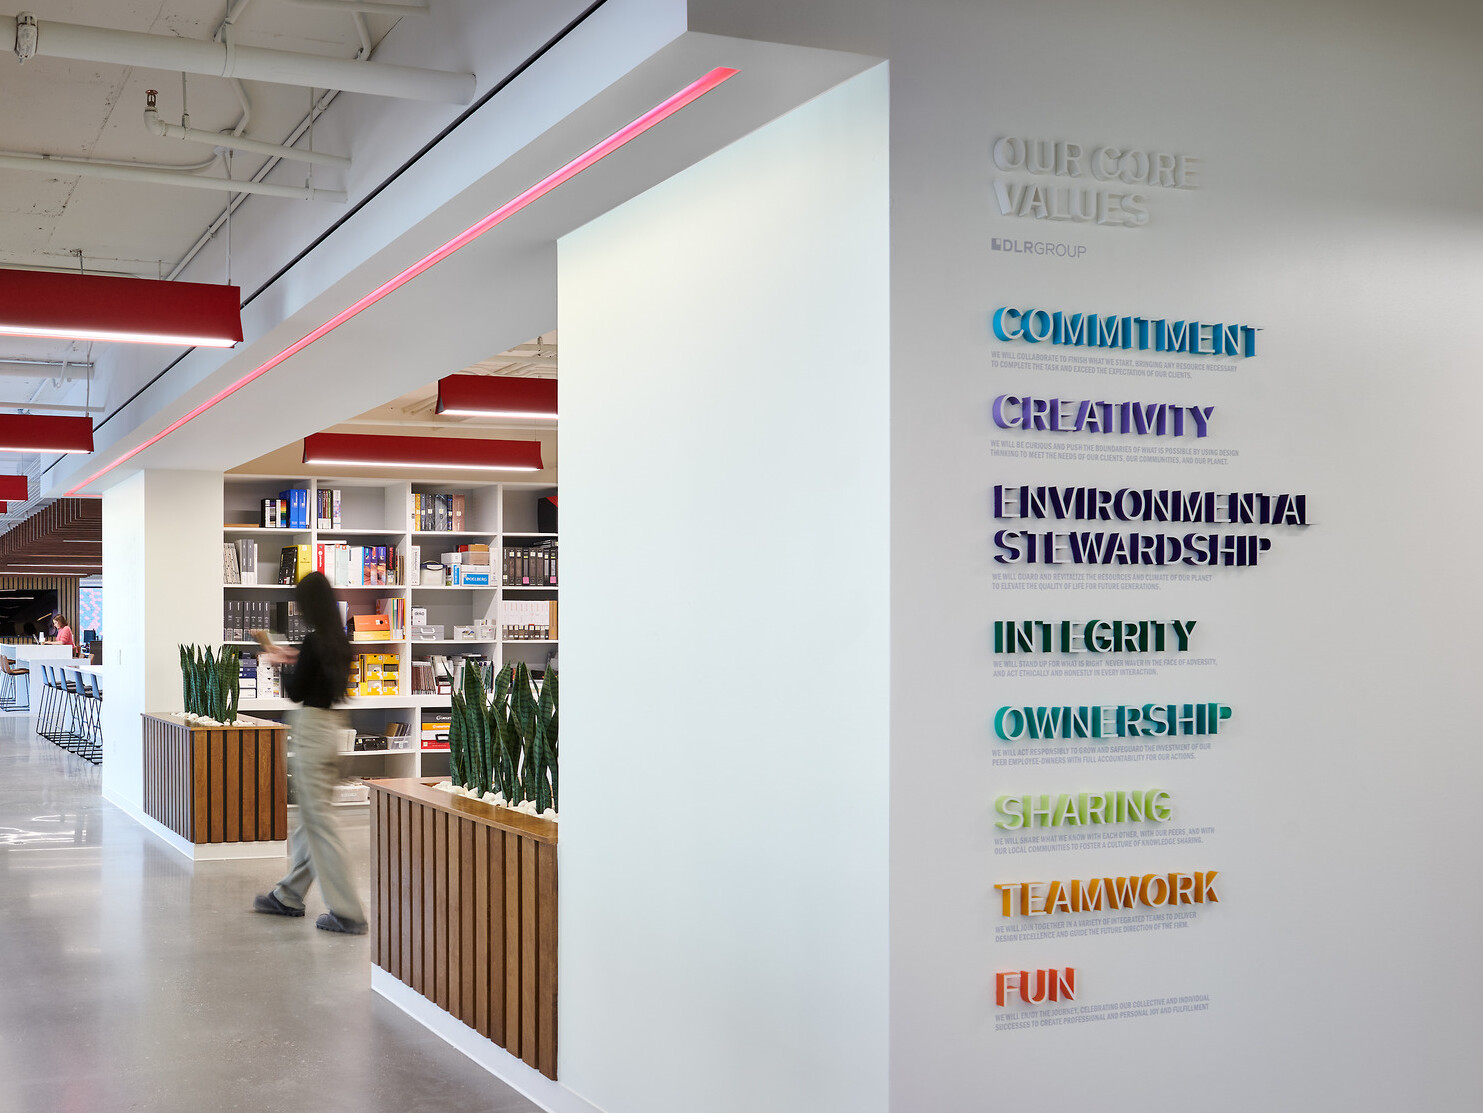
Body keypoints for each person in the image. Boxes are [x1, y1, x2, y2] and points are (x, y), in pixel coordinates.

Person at [252, 572, 368, 934]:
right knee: (311, 821)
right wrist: (295, 657)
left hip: (312, 731)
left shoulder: (315, 641)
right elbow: (319, 678)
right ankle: (288, 895)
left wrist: (277, 660)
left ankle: (348, 911)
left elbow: (297, 691)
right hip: (333, 729)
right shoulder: (338, 641)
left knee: (320, 824)